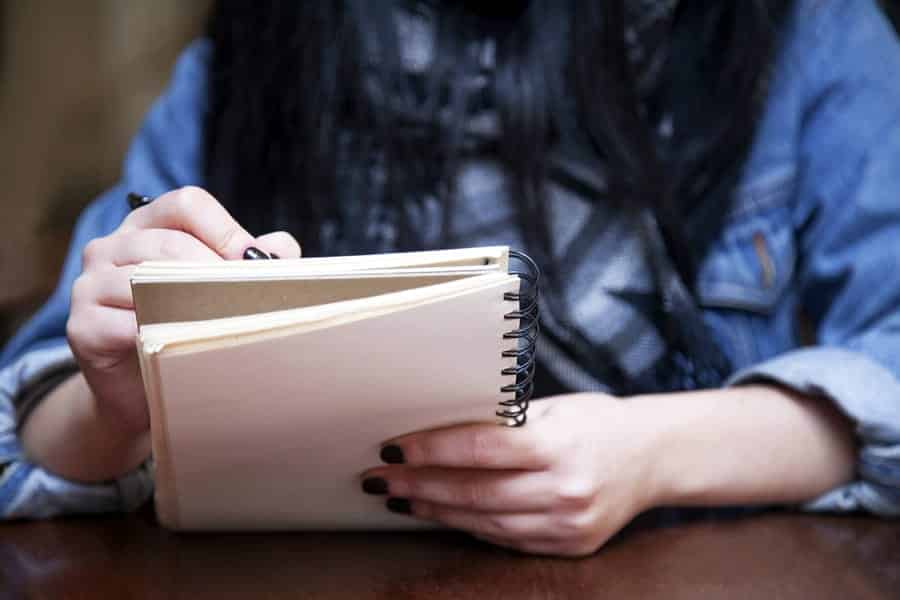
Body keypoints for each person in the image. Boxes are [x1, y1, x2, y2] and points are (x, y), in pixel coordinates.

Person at [1, 0, 898, 557]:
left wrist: (654, 455)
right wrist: (116, 402)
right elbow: (25, 437)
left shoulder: (809, 36)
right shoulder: (257, 51)